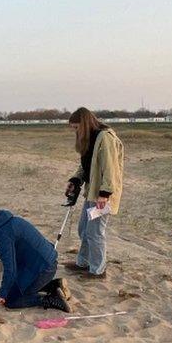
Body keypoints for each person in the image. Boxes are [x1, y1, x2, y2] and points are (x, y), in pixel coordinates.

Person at [0, 209, 71, 312]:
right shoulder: (3, 221)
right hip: (44, 261)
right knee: (12, 290)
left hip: (43, 267)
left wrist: (1, 295)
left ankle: (50, 299)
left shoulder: (2, 234)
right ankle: (53, 285)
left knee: (11, 301)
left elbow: (10, 269)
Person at [64, 107, 124, 279]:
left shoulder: (104, 137)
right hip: (92, 193)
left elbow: (110, 168)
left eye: (76, 128)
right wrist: (75, 180)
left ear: (84, 124)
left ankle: (98, 270)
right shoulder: (89, 139)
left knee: (95, 232)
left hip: (103, 196)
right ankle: (83, 262)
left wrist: (104, 195)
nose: (75, 131)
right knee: (84, 228)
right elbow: (86, 166)